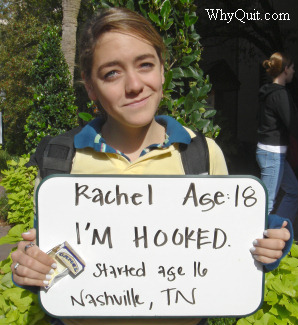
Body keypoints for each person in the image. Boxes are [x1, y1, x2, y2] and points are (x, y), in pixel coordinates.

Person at [11, 8, 292, 325]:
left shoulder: (200, 153)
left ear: (162, 71)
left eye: (145, 65)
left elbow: (230, 238)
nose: (133, 85)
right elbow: (43, 257)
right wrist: (29, 267)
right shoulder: (61, 158)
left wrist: (271, 241)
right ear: (90, 87)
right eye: (111, 73)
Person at [256, 52, 298, 224]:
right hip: (272, 154)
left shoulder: (270, 92)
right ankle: (257, 238)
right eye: (293, 68)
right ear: (285, 69)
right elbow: (292, 124)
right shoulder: (280, 95)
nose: (294, 72)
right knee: (267, 202)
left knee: (293, 191)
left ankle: (278, 229)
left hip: (273, 153)